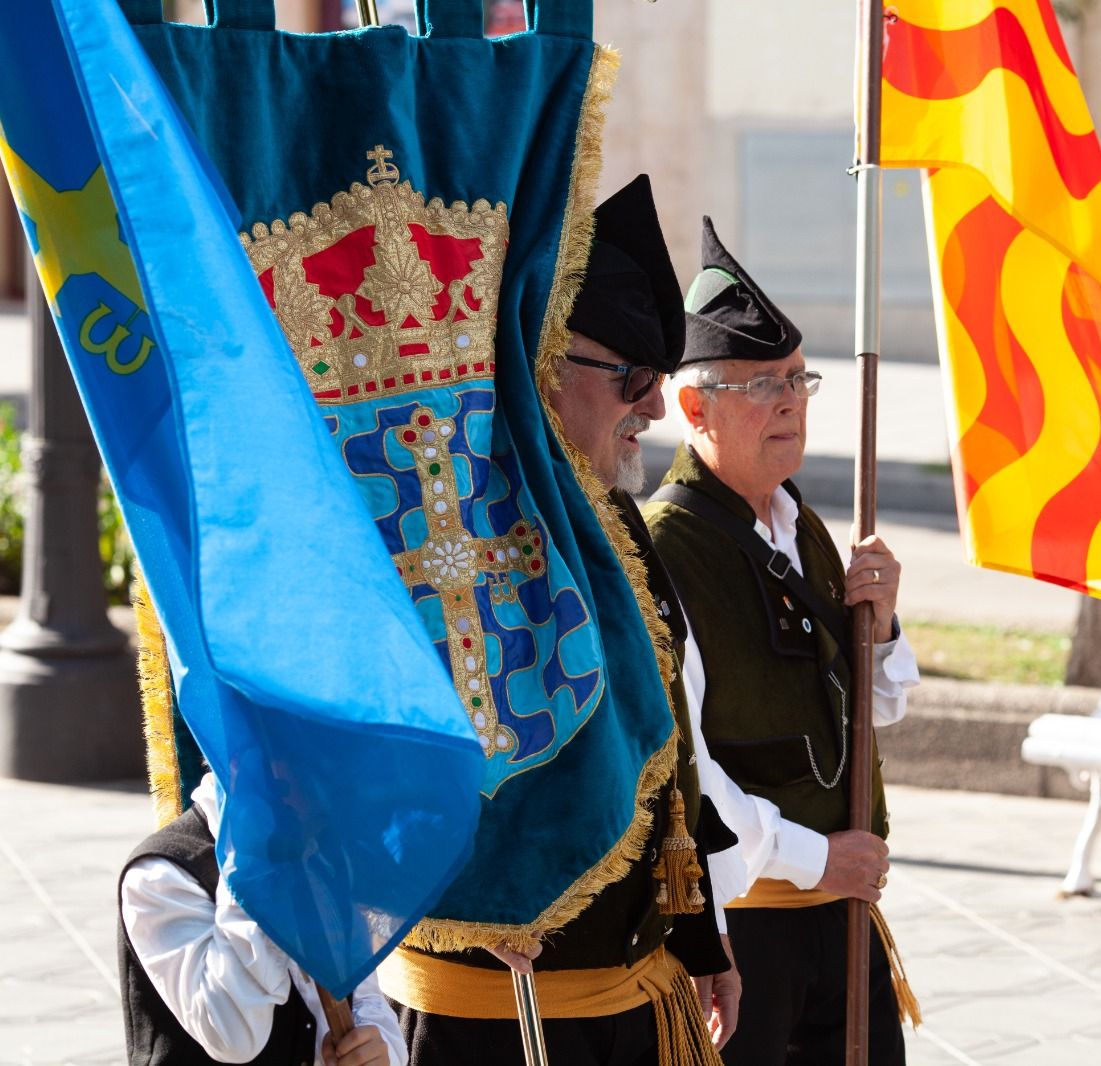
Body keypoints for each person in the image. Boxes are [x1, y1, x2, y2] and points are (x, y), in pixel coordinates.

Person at [381, 175, 742, 1064]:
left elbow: (660, 740)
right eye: (632, 376)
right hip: (489, 1011)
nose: (654, 407)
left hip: (633, 988)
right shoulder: (439, 523)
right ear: (543, 362)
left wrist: (698, 937)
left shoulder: (611, 513)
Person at [643, 218, 920, 1065]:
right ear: (695, 407)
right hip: (743, 934)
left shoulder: (804, 529)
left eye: (800, 379)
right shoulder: (665, 547)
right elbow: (681, 763)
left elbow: (879, 708)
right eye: (764, 384)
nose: (792, 401)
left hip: (844, 923)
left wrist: (882, 624)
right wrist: (815, 858)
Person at [118, 770, 403, 1066]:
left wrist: (374, 1049)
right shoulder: (160, 876)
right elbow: (233, 1038)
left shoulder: (318, 855)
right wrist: (252, 864)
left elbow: (363, 996)